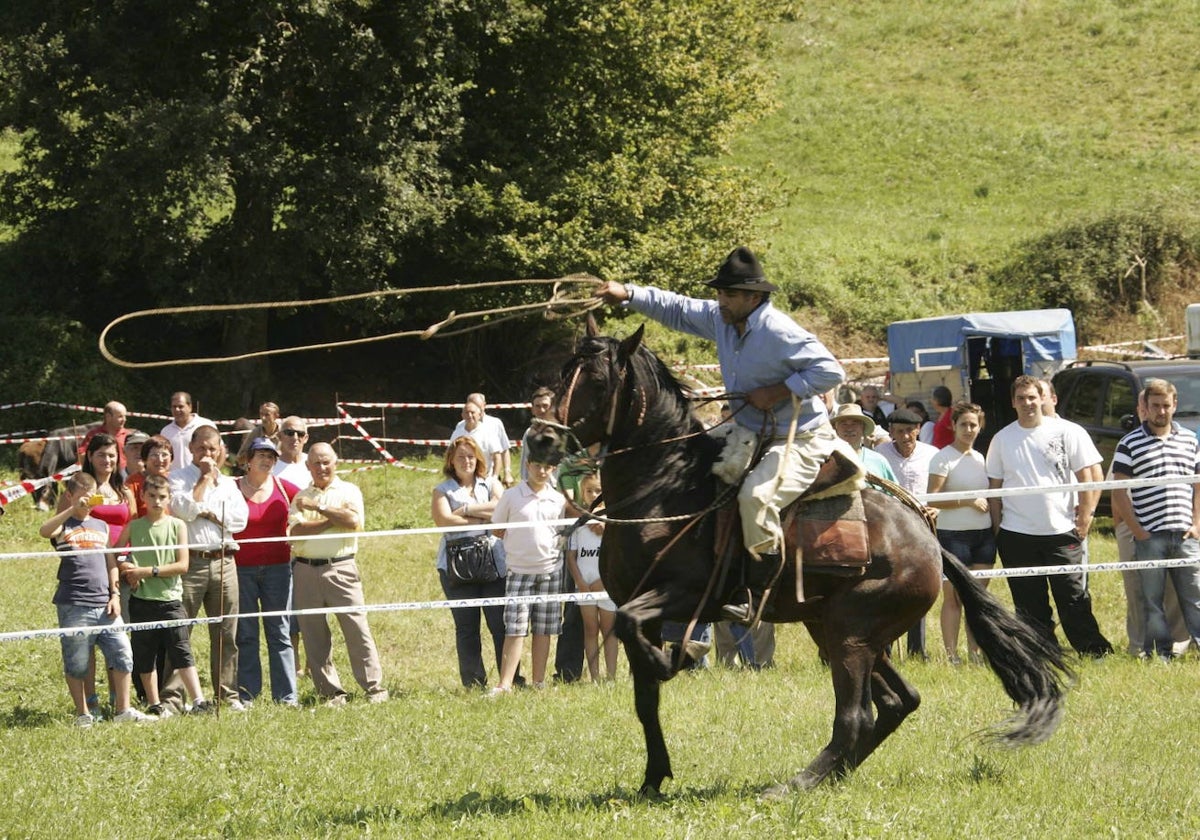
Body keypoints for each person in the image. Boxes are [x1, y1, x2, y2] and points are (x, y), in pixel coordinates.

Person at [595, 246, 850, 624]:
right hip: (752, 432)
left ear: (754, 297)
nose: (720, 300)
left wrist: (778, 391)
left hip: (798, 438)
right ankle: (703, 577)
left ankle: (756, 594)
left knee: (756, 497)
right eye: (719, 293)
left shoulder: (779, 331)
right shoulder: (723, 319)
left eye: (728, 294)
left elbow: (831, 371)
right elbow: (677, 308)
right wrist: (628, 293)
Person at [986, 375, 1113, 656]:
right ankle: (1042, 651)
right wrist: (998, 530)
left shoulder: (1067, 432)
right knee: (1029, 602)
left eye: (1032, 397)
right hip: (1016, 533)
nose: (1028, 403)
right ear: (1013, 403)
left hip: (1062, 531)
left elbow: (1088, 477)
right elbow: (994, 489)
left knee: (1073, 596)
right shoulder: (1001, 439)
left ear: (1042, 398)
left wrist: (1085, 518)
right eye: (1021, 398)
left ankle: (1094, 650)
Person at [39, 472, 152, 726]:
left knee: (123, 653)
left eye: (90, 498)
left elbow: (111, 562)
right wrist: (70, 510)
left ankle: (123, 710)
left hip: (105, 603)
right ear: (70, 496)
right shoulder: (63, 525)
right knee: (77, 662)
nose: (86, 503)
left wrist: (114, 594)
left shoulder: (100, 526)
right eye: (81, 497)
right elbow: (44, 531)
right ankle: (83, 714)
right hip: (74, 603)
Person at [288, 443, 389, 705]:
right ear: (307, 466)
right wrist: (332, 519)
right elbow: (296, 532)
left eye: (326, 462)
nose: (321, 468)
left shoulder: (349, 490)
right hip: (304, 569)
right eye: (316, 463)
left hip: (341, 567)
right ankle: (330, 691)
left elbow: (353, 522)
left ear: (336, 463)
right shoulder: (299, 496)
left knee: (357, 629)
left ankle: (374, 688)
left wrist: (318, 509)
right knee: (313, 634)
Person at [1111, 378, 1200, 659]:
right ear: (1145, 408)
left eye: (1166, 405)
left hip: (1185, 533)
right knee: (1152, 600)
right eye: (1155, 406)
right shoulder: (1129, 443)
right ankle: (1160, 653)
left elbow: (1198, 485)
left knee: (1196, 595)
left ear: (1174, 406)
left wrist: (1197, 523)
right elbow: (1119, 490)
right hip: (1150, 535)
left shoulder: (1189, 440)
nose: (1161, 411)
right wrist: (1138, 531)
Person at [164, 425, 249, 710]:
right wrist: (202, 481)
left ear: (221, 449)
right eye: (201, 448)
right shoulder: (177, 478)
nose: (208, 454)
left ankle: (228, 695)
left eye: (212, 449)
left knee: (226, 633)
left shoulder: (228, 484)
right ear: (190, 449)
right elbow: (184, 510)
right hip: (191, 564)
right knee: (180, 632)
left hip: (225, 562)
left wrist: (208, 513)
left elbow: (240, 522)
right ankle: (173, 700)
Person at [114, 474, 213, 717]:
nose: (157, 501)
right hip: (141, 601)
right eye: (152, 496)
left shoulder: (178, 526)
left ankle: (199, 700)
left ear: (169, 498)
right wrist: (125, 566)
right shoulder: (134, 526)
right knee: (145, 653)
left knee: (181, 651)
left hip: (170, 600)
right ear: (143, 497)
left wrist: (146, 571)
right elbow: (114, 553)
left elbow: (182, 565)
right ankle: (154, 703)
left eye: (162, 497)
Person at [431, 435, 509, 688]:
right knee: (467, 628)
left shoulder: (492, 483)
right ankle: (474, 682)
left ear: (478, 459)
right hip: (456, 567)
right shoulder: (442, 490)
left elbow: (502, 508)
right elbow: (443, 520)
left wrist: (464, 510)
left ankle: (509, 679)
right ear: (451, 461)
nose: (467, 461)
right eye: (461, 457)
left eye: (471, 456)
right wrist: (482, 518)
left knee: (500, 625)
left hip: (493, 563)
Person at [488, 455, 568, 696]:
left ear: (553, 469)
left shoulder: (558, 499)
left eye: (547, 466)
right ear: (528, 466)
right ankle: (505, 684)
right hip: (519, 571)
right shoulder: (511, 496)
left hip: (550, 571)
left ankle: (539, 681)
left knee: (543, 629)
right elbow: (497, 528)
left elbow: (562, 532)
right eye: (537, 466)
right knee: (515, 629)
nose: (542, 471)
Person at [926, 402, 995, 664]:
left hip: (983, 536)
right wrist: (967, 501)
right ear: (953, 426)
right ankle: (951, 655)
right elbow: (931, 499)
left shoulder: (980, 459)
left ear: (980, 427)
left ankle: (975, 653)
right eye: (963, 424)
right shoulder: (942, 457)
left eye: (973, 425)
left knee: (977, 600)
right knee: (953, 598)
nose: (968, 429)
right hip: (953, 536)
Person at [233, 437, 300, 704]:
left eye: (271, 456)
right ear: (247, 460)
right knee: (246, 633)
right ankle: (247, 695)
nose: (267, 460)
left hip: (278, 570)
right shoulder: (232, 488)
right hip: (241, 569)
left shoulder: (285, 489)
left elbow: (311, 502)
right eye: (260, 455)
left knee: (280, 632)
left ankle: (286, 696)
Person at [875, 407, 939, 658]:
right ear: (890, 432)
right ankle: (885, 646)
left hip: (923, 527)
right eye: (899, 431)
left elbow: (941, 491)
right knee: (888, 586)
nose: (905, 436)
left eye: (910, 431)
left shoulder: (932, 455)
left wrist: (937, 509)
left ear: (919, 430)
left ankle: (917, 650)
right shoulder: (880, 455)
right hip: (890, 528)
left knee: (920, 586)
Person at [565, 472, 619, 682]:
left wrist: (603, 580)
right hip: (584, 584)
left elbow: (616, 553)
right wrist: (580, 582)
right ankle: (594, 677)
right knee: (590, 629)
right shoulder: (578, 522)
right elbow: (571, 556)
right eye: (589, 491)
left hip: (605, 583)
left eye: (598, 491)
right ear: (582, 493)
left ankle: (611, 677)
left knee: (609, 630)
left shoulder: (612, 521)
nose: (593, 495)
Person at [450, 394, 513, 485]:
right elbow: (451, 453)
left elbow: (503, 450)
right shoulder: (460, 427)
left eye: (478, 407)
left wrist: (506, 472)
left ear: (484, 405)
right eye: (468, 411)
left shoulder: (495, 423)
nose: (470, 414)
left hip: (487, 476)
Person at [830, 403, 897, 482]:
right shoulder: (825, 461)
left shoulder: (878, 461)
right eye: (843, 424)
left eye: (855, 423)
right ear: (836, 429)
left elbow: (894, 492)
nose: (849, 428)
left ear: (863, 428)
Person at [161, 391, 215, 473]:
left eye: (180, 406)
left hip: (200, 476)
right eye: (174, 407)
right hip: (175, 480)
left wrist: (212, 472)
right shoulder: (166, 431)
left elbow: (221, 450)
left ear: (190, 407)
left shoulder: (206, 424)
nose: (177, 410)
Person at [77, 401, 132, 471]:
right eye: (120, 416)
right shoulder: (94, 434)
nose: (124, 420)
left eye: (125, 416)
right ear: (108, 417)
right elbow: (82, 455)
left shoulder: (129, 436)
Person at [519, 387, 556, 482]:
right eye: (537, 406)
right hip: (536, 489)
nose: (542, 410)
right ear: (532, 410)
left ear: (553, 407)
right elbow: (525, 465)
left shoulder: (564, 433)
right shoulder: (529, 433)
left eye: (545, 406)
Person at [236, 402, 282, 468]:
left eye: (267, 415)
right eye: (261, 414)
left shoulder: (285, 433)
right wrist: (255, 453)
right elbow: (240, 459)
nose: (263, 418)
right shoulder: (255, 433)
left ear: (276, 416)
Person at [273, 415, 311, 488]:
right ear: (279, 436)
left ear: (306, 438)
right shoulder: (269, 467)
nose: (295, 438)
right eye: (289, 433)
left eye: (300, 434)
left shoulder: (314, 463)